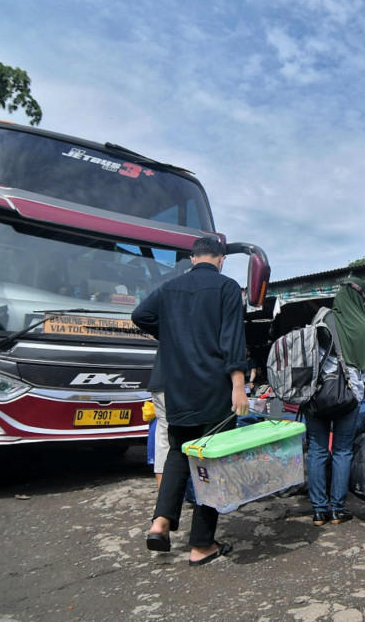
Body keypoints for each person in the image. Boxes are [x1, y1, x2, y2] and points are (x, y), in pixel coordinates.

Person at [132, 237, 248, 566]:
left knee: (178, 456)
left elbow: (139, 314)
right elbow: (232, 338)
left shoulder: (170, 288)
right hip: (212, 387)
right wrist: (238, 385)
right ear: (222, 259)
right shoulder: (227, 288)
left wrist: (171, 334)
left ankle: (161, 523)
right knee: (211, 461)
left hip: (175, 386)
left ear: (192, 258)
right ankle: (201, 545)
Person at [306, 277, 365, 526]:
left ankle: (318, 511)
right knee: (342, 452)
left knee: (316, 451)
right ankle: (337, 509)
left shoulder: (323, 319)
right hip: (349, 398)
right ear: (361, 299)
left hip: (317, 397)